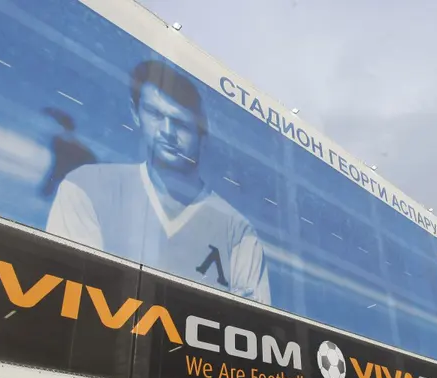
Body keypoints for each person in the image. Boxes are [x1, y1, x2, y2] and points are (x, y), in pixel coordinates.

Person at [46, 59, 270, 304]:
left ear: (202, 134)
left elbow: (251, 320)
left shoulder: (237, 231)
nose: (167, 132)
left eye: (181, 123)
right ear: (136, 113)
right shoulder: (86, 187)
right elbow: (67, 297)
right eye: (155, 114)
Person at [38, 107, 97, 197]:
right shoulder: (63, 144)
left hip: (67, 158)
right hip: (68, 158)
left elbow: (87, 156)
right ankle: (47, 192)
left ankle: (47, 192)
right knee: (57, 174)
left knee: (56, 174)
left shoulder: (62, 144)